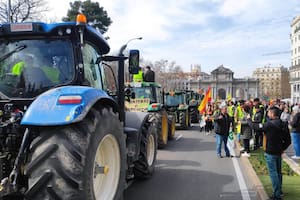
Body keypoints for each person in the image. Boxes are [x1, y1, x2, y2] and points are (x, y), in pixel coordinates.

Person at [247, 106, 291, 200]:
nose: (268, 114)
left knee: (273, 173)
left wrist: (249, 120)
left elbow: (255, 127)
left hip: (270, 152)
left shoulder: (269, 124)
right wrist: (282, 148)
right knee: (278, 172)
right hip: (278, 151)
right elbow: (288, 141)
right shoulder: (283, 124)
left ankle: (276, 195)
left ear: (272, 114)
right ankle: (279, 191)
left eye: (269, 112)